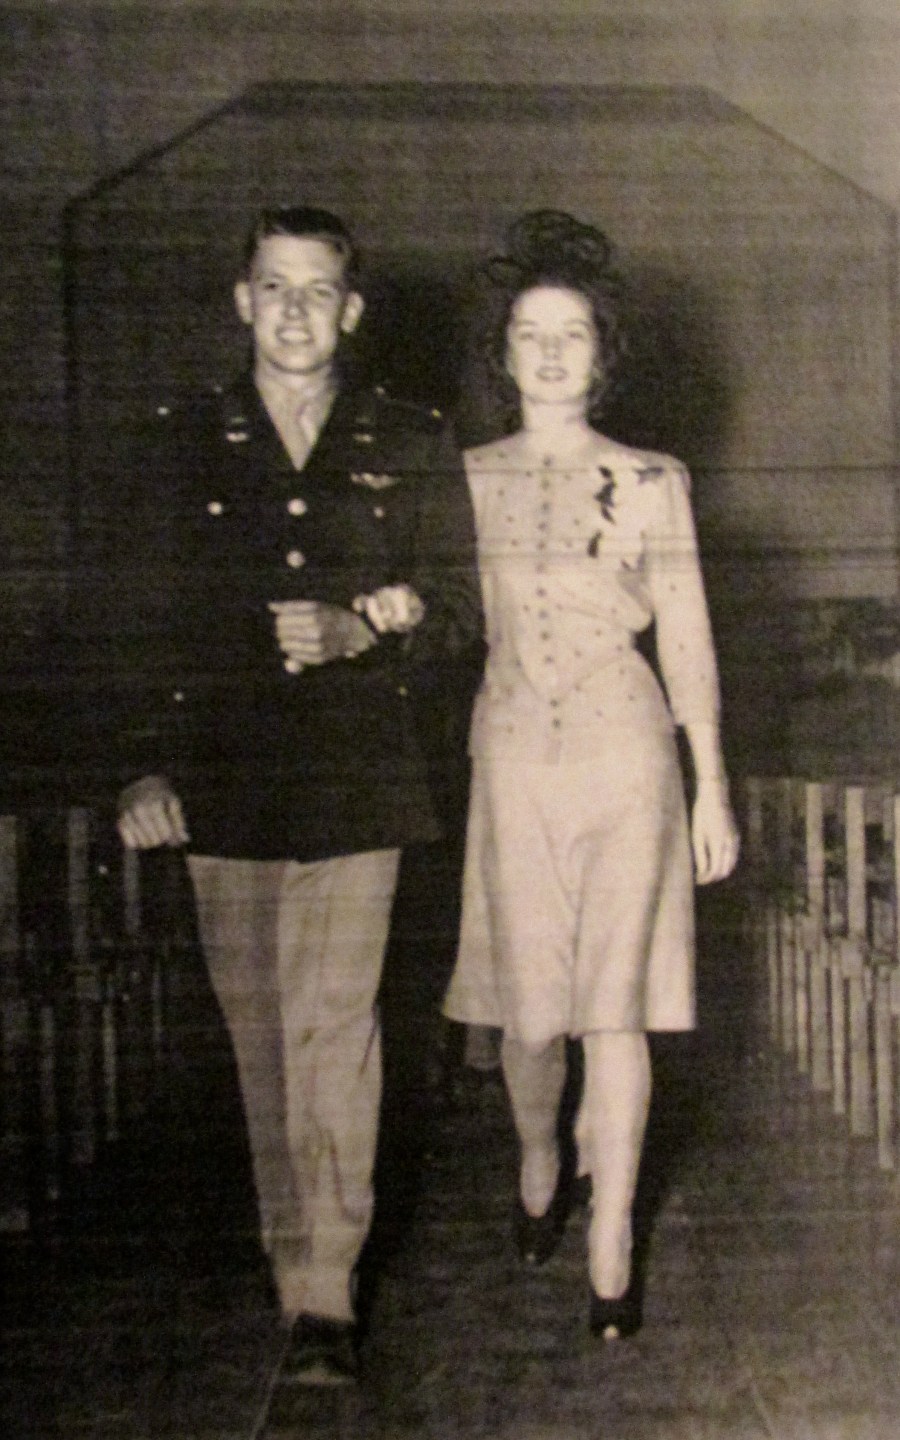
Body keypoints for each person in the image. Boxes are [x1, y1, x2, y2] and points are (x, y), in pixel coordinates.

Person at [114, 206, 482, 1385]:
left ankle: (326, 1293)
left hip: (360, 783)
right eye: (273, 286)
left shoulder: (412, 440)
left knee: (336, 1028)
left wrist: (361, 627)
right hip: (220, 783)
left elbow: (462, 614)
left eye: (317, 291)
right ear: (240, 299)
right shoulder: (181, 440)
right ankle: (294, 1263)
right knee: (262, 1039)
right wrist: (138, 764)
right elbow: (128, 622)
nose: (293, 310)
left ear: (352, 311)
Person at [443, 210, 740, 1339]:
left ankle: (612, 1233)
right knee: (532, 1020)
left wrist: (710, 784)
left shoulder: (656, 479)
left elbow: (693, 642)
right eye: (532, 332)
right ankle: (538, 1154)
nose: (553, 351)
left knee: (615, 1013)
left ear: (602, 353)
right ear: (505, 353)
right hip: (514, 758)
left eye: (574, 332)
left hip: (629, 758)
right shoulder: (462, 479)